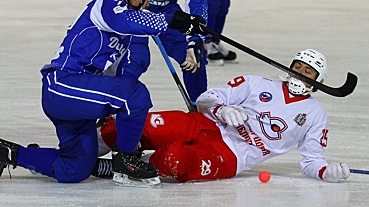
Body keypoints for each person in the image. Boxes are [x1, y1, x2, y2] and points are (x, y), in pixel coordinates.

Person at [0, 0, 207, 187]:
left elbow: (131, 67)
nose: (150, 0)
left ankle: (7, 152)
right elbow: (130, 21)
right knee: (135, 96)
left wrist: (184, 35)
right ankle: (125, 162)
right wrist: (178, 20)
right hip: (62, 85)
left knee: (75, 169)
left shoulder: (130, 29)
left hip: (80, 98)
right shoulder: (108, 5)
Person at [95, 49, 351, 183]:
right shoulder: (256, 82)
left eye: (308, 71)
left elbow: (311, 161)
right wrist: (221, 109)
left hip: (231, 156)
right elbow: (207, 98)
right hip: (205, 124)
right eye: (297, 67)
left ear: (319, 81)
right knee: (127, 126)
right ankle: (82, 153)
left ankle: (121, 166)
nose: (300, 73)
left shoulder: (316, 114)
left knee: (174, 160)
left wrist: (325, 172)